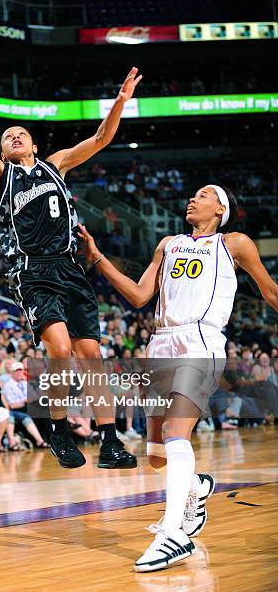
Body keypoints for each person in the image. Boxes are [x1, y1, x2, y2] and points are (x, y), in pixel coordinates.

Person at [0, 53, 141, 470]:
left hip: (69, 268)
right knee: (60, 348)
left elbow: (100, 138)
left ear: (35, 145)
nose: (14, 137)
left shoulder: (56, 165)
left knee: (93, 358)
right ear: (2, 150)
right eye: (7, 136)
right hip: (32, 271)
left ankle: (111, 442)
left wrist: (119, 101)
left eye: (20, 133)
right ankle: (58, 431)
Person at [79, 184, 278, 571]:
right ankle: (198, 487)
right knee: (156, 455)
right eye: (193, 195)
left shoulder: (234, 243)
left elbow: (269, 291)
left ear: (221, 208)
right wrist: (98, 258)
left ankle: (172, 535)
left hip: (200, 340)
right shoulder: (168, 243)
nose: (193, 199)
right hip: (160, 344)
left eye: (203, 195)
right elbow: (138, 296)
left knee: (175, 433)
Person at [1, 361, 49, 448]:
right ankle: (41, 440)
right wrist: (25, 401)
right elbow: (12, 405)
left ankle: (45, 439)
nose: (19, 373)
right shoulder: (8, 385)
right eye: (16, 371)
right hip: (16, 410)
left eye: (20, 370)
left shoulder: (25, 383)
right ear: (12, 373)